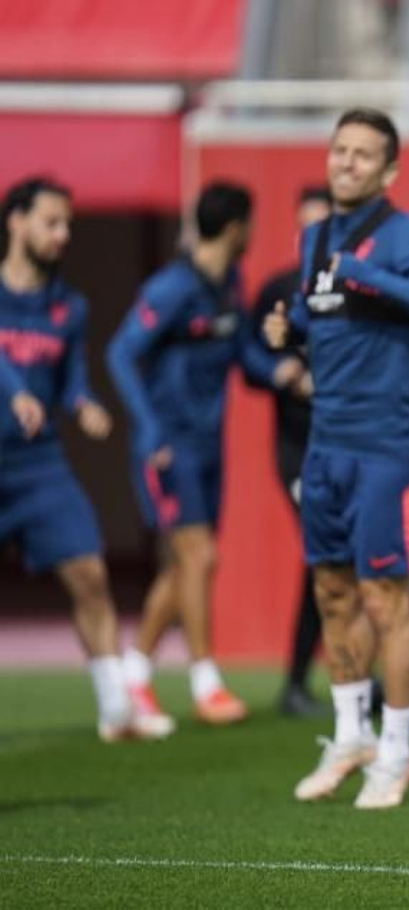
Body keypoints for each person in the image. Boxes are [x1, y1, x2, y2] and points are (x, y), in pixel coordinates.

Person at [265, 107, 409, 810]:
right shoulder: (313, 236)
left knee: (387, 599)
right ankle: (350, 734)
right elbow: (318, 311)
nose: (347, 162)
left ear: (388, 172)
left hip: (389, 442)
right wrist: (287, 323)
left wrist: (370, 275)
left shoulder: (405, 234)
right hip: (326, 442)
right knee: (330, 590)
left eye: (363, 155)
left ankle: (398, 750)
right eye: (340, 150)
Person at [107, 181, 295, 729]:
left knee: (184, 565)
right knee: (201, 557)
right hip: (169, 447)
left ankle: (133, 675)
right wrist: (147, 430)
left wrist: (278, 370)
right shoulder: (171, 289)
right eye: (252, 225)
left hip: (209, 445)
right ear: (237, 227)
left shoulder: (229, 285)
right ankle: (205, 682)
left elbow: (241, 353)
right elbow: (120, 353)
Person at [0, 176, 171, 743]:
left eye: (67, 224)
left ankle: (116, 710)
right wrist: (13, 390)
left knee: (88, 572)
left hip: (38, 463)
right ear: (16, 222)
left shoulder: (69, 307)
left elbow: (71, 379)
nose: (62, 234)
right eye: (51, 222)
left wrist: (84, 404)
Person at [247, 185, 329, 718]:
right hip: (299, 449)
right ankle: (299, 682)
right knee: (327, 552)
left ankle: (352, 678)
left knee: (348, 558)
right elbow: (248, 354)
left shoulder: (361, 293)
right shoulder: (278, 291)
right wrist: (279, 370)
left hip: (354, 444)